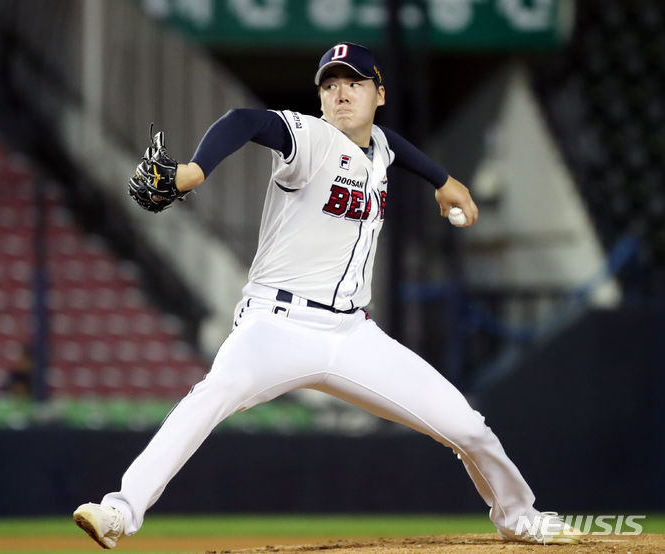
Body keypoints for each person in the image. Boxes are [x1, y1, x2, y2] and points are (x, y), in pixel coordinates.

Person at [74, 43, 583, 548]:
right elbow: (244, 120)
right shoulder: (310, 138)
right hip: (276, 325)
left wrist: (444, 180)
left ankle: (520, 518)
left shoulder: (378, 146)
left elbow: (393, 147)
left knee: (468, 428)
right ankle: (119, 510)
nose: (341, 93)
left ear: (379, 94)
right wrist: (194, 171)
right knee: (211, 396)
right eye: (330, 85)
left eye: (354, 83)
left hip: (352, 333)